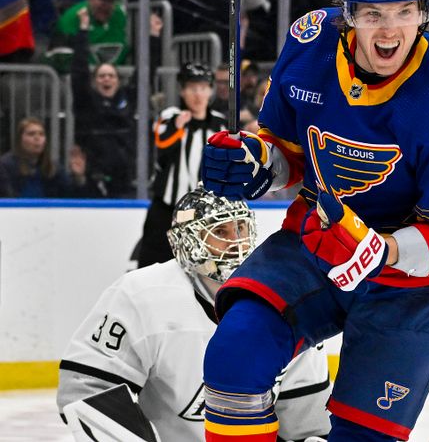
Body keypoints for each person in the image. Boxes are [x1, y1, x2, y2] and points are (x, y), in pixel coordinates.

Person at [200, 0, 429, 441]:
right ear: (348, 12)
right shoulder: (310, 43)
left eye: (405, 11)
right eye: (374, 13)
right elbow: (286, 149)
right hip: (317, 239)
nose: (390, 30)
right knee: (234, 355)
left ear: (423, 12)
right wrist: (258, 161)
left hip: (412, 282)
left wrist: (380, 250)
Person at [57, 186, 331, 442]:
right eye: (220, 232)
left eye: (240, 228)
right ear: (187, 241)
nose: (236, 242)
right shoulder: (141, 295)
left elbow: (306, 421)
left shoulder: (285, 297)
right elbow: (87, 389)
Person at [137, 62, 227, 268]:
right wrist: (177, 129)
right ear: (182, 91)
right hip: (166, 208)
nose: (198, 94)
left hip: (203, 211)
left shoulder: (219, 125)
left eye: (203, 88)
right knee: (150, 266)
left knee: (202, 269)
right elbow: (161, 147)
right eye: (192, 88)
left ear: (210, 91)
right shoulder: (170, 116)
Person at [69, 6, 137, 198]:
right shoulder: (87, 103)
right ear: (94, 81)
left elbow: (144, 76)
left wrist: (153, 38)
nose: (106, 79)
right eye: (101, 76)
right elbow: (79, 73)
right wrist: (83, 30)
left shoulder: (126, 101)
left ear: (117, 80)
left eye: (111, 75)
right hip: (91, 178)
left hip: (123, 181)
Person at [0, 116, 97, 198]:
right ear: (20, 139)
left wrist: (78, 177)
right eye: (31, 134)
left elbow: (71, 196)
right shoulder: (5, 165)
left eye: (41, 134)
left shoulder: (54, 167)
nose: (37, 138)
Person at [52, 0, 129, 66]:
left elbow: (123, 48)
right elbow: (61, 58)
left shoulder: (119, 14)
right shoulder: (72, 18)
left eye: (111, 0)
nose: (106, 5)